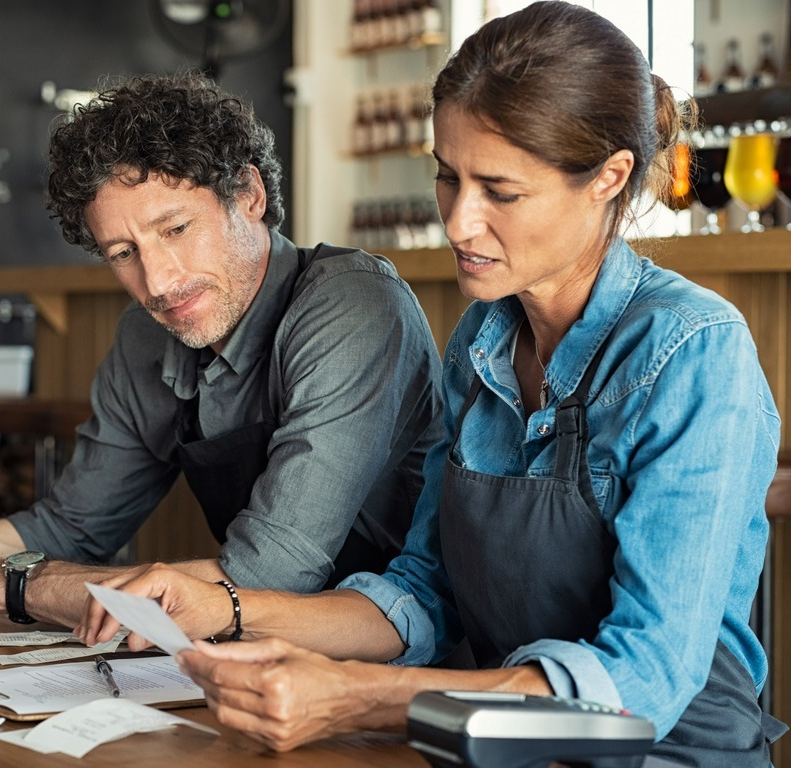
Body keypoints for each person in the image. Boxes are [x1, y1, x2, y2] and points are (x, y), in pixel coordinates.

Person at [75, 4, 787, 765]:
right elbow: (422, 591)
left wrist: (359, 696)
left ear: (609, 177)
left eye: (500, 192)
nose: (458, 222)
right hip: (482, 741)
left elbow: (647, 678)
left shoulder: (693, 351)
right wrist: (223, 607)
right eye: (448, 177)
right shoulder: (482, 343)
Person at [0, 72, 444, 626]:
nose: (157, 282)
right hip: (258, 658)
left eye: (176, 228)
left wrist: (6, 586)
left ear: (248, 195)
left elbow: (266, 577)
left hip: (402, 659)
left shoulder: (352, 308)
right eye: (123, 253)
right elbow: (71, 525)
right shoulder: (146, 336)